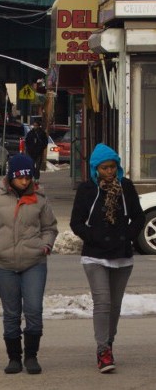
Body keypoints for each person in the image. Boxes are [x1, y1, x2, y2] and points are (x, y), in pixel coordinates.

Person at [0, 154, 58, 375]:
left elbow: (50, 227)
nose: (24, 181)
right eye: (20, 177)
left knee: (34, 310)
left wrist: (46, 245)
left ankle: (31, 356)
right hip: (3, 265)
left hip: (34, 262)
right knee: (11, 313)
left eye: (28, 177)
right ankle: (14, 358)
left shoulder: (39, 198)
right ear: (11, 176)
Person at [70, 143, 145, 374]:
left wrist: (127, 237)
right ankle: (103, 351)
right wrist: (93, 237)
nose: (110, 171)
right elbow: (76, 222)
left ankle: (109, 343)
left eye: (113, 167)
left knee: (114, 305)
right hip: (95, 256)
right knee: (102, 303)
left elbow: (138, 217)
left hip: (122, 255)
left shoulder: (126, 187)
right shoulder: (87, 189)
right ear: (96, 169)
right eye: (105, 168)